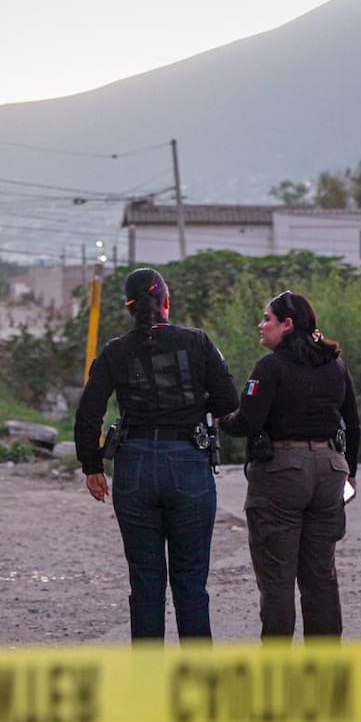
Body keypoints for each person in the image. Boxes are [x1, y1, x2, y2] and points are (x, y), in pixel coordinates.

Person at [75, 268, 238, 643]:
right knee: (191, 584)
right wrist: (194, 407)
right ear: (167, 302)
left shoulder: (116, 351)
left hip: (133, 468)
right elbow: (229, 401)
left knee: (146, 583)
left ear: (130, 309)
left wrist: (92, 466)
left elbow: (89, 412)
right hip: (188, 463)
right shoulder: (197, 342)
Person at [219, 290, 360, 642]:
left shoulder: (269, 368)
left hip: (282, 472)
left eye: (267, 318)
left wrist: (222, 418)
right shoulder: (335, 367)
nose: (261, 325)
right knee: (321, 576)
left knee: (278, 577)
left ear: (288, 324)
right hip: (330, 469)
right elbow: (353, 423)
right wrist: (351, 473)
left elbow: (248, 423)